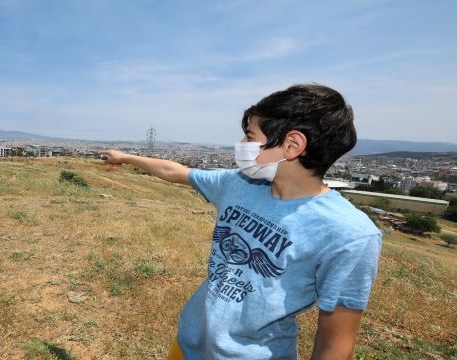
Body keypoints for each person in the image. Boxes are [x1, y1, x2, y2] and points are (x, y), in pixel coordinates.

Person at [99, 83, 382, 360]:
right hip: (190, 343)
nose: (242, 145)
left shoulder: (348, 234)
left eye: (250, 136)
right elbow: (176, 172)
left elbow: (336, 343)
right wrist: (125, 157)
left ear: (292, 144)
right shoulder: (238, 184)